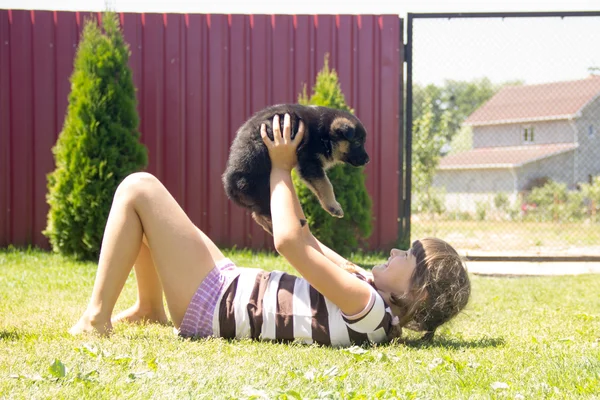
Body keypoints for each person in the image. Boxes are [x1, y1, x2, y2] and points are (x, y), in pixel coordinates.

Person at [70, 113, 470, 346]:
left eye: (410, 257)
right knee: (149, 221)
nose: (400, 251)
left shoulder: (369, 310)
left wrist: (281, 166)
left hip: (213, 303)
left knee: (139, 188)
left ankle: (96, 319)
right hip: (228, 283)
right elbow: (308, 239)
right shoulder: (373, 298)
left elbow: (289, 243)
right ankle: (150, 308)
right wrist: (276, 203)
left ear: (416, 292)